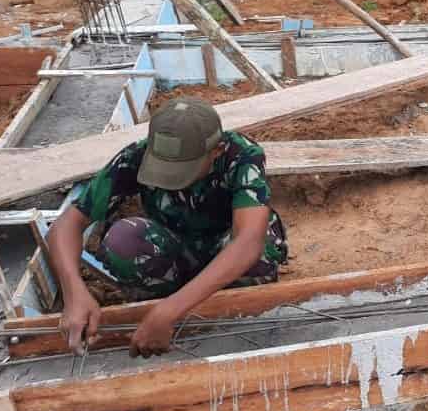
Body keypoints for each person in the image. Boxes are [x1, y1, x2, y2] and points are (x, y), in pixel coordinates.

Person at [47, 98, 288, 358]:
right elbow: (67, 224)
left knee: (261, 244)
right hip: (174, 253)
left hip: (225, 254)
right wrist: (74, 291)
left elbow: (247, 242)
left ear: (215, 151)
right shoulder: (135, 157)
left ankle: (225, 312)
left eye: (181, 170)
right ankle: (162, 301)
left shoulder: (241, 155)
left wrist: (167, 312)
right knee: (124, 239)